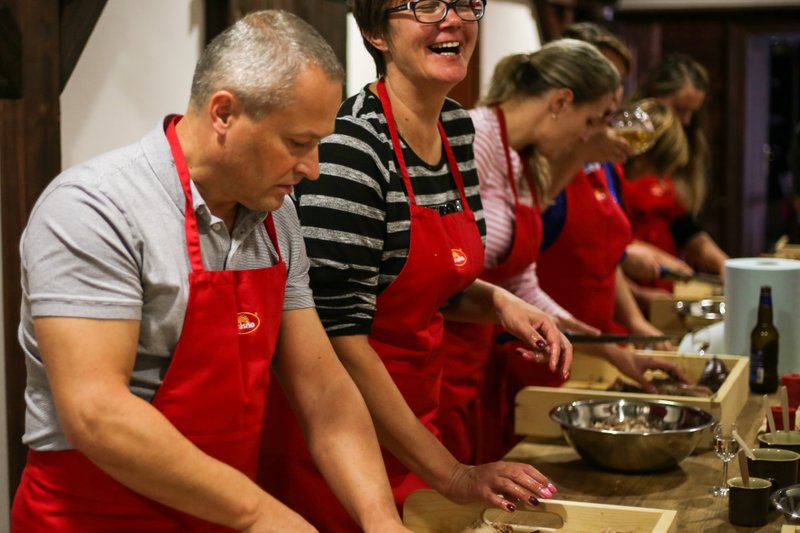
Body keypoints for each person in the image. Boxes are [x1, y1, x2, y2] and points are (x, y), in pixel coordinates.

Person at [11, 11, 413, 533]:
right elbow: (96, 412)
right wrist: (262, 514)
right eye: (297, 143)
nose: (312, 168)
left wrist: (381, 521)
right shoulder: (94, 209)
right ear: (224, 113)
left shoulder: (276, 220)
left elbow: (324, 393)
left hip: (218, 516)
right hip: (95, 517)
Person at [260, 1, 571, 531]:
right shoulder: (353, 146)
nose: (452, 19)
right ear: (375, 32)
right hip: (340, 450)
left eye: (465, 2)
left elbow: (430, 282)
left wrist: (500, 303)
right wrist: (452, 475)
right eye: (425, 5)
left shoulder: (456, 129)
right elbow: (338, 338)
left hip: (416, 434)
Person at [436, 40, 613, 465]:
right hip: (439, 360)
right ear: (561, 101)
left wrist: (594, 341)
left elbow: (521, 282)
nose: (586, 136)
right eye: (590, 120)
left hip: (478, 362)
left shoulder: (524, 162)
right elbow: (441, 274)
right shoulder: (472, 138)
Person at [632, 54, 728, 275]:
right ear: (652, 97)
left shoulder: (683, 147)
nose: (686, 121)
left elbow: (681, 224)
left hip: (663, 275)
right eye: (679, 109)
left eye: (692, 112)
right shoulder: (622, 148)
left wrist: (724, 264)